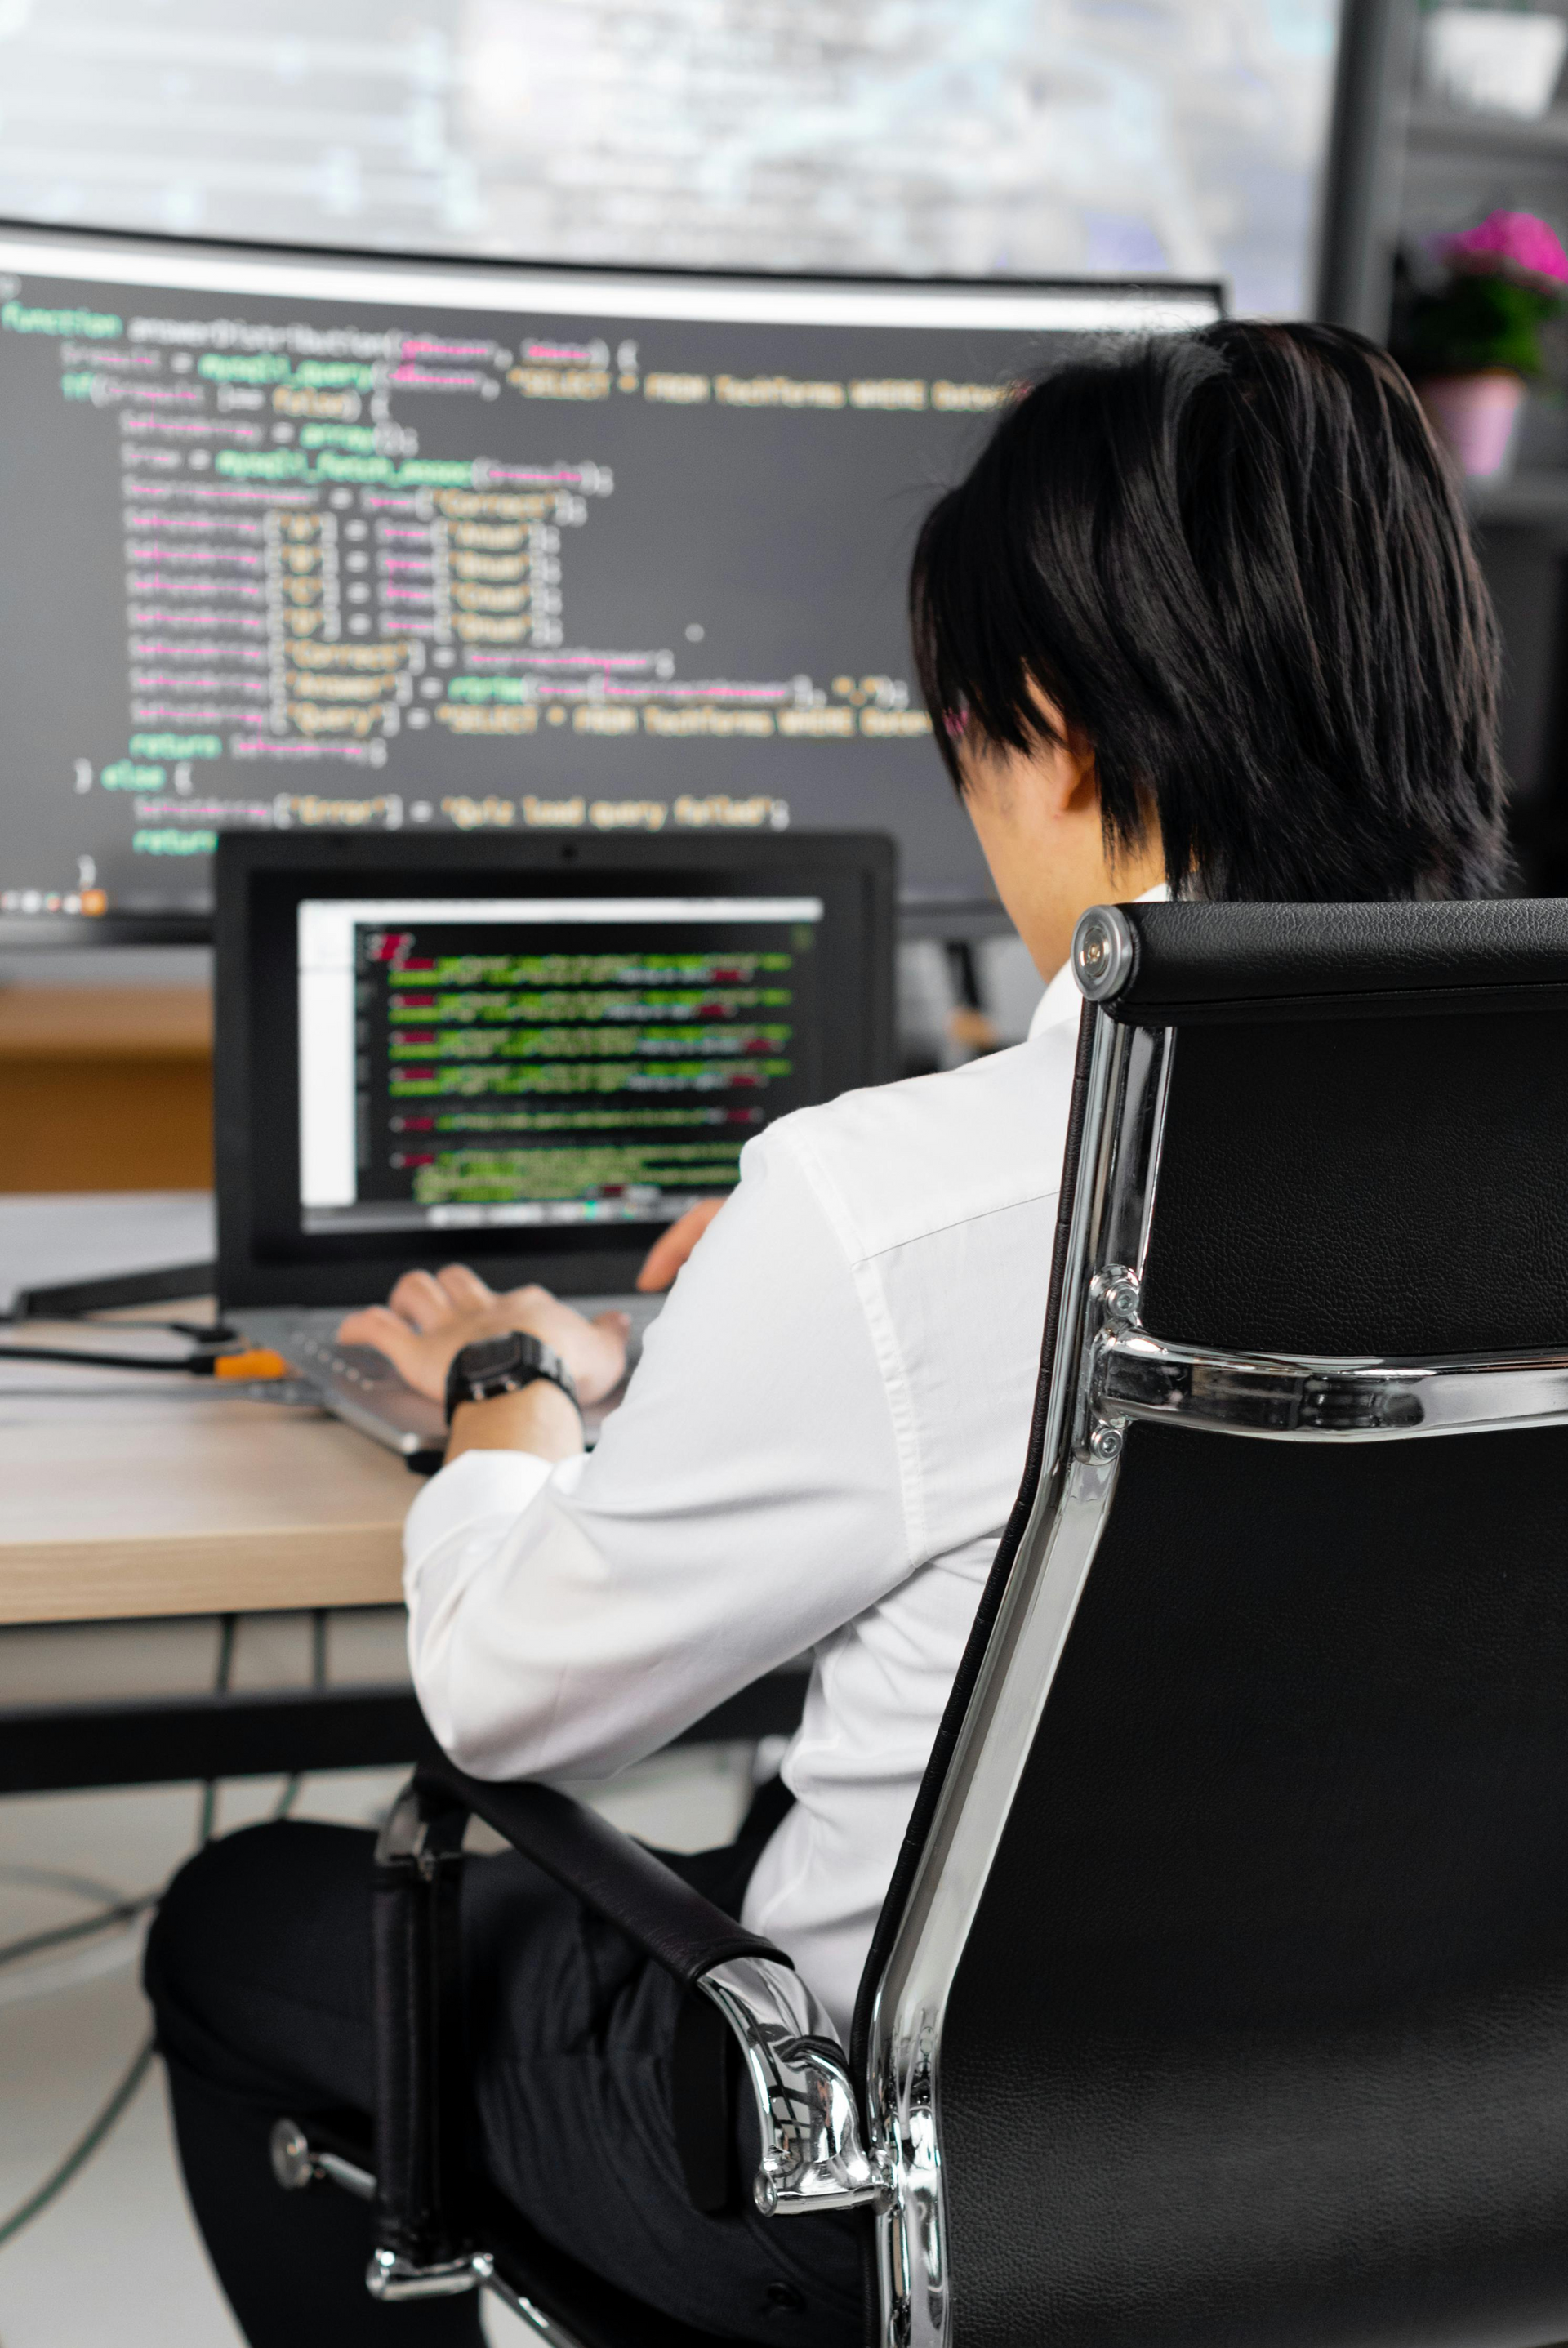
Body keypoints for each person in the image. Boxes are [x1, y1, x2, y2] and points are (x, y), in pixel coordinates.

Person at [145, 321, 1508, 2346]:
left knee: (238, 1923)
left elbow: (517, 1708)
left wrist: (514, 1395)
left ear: (1045, 724)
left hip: (881, 2193)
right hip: (1447, 2164)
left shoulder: (899, 1204)